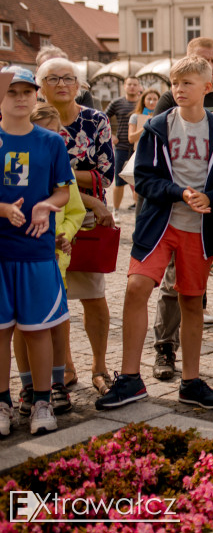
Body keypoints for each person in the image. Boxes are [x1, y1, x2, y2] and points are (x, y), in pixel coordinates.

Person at [95, 55, 213, 411]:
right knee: (136, 287)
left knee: (191, 301)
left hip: (199, 230)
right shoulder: (158, 126)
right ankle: (130, 377)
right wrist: (180, 193)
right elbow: (142, 178)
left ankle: (190, 381)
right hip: (160, 224)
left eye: (187, 83)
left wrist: (211, 196)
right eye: (175, 83)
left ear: (207, 87)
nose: (179, 89)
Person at [151, 38, 213, 381]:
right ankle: (165, 347)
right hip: (181, 208)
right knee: (173, 283)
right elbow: (158, 148)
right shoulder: (173, 96)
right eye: (205, 58)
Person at [0, 67, 73, 436]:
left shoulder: (51, 142)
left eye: (27, 91)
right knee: (1, 331)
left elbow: (63, 190)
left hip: (37, 251)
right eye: (12, 91)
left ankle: (42, 401)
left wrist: (46, 206)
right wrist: (2, 208)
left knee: (37, 329)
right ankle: (2, 403)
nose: (20, 98)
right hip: (1, 251)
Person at [37, 57, 114, 396]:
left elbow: (106, 173)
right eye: (52, 78)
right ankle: (65, 367)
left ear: (79, 84)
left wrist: (60, 174)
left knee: (94, 294)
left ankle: (100, 365)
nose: (61, 84)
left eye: (68, 78)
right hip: (45, 217)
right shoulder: (29, 121)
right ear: (42, 85)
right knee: (57, 295)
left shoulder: (95, 120)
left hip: (88, 219)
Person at [12, 104, 85, 419]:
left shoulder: (62, 169)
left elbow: (75, 211)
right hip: (20, 256)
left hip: (54, 261)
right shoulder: (17, 163)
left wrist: (64, 232)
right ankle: (28, 385)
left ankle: (57, 383)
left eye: (55, 133)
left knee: (56, 324)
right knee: (21, 327)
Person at [106, 75, 140, 216]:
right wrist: (111, 135)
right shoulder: (117, 102)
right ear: (124, 86)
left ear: (139, 87)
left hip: (138, 147)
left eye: (134, 84)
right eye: (129, 84)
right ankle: (116, 210)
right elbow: (103, 118)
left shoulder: (142, 103)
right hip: (121, 147)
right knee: (119, 181)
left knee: (138, 182)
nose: (132, 86)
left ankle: (139, 210)